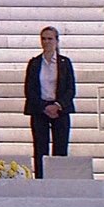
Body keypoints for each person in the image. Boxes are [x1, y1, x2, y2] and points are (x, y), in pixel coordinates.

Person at [23, 26, 76, 179]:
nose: (46, 42)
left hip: (60, 110)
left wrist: (57, 105)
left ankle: (59, 180)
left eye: (50, 38)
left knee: (60, 147)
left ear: (57, 41)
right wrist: (44, 107)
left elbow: (70, 89)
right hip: (40, 110)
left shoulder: (65, 63)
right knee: (40, 147)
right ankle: (41, 180)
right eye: (44, 39)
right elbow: (30, 89)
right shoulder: (34, 63)